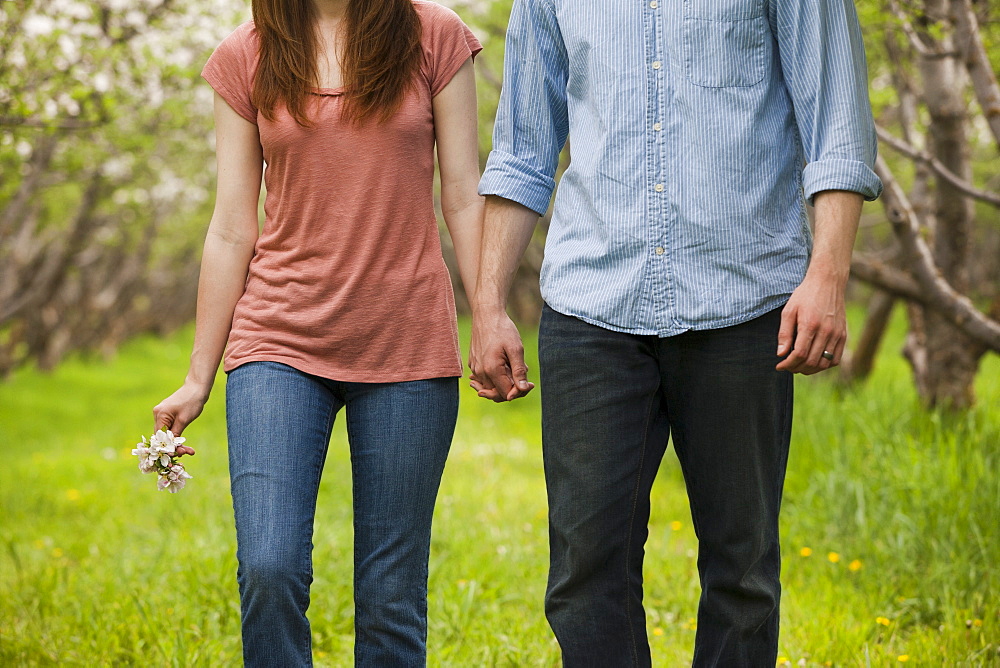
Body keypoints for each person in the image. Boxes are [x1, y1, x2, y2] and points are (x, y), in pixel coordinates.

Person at [469, 0, 881, 665]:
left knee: (742, 571)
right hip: (591, 305)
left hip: (743, 302)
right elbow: (522, 151)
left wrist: (828, 276)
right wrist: (487, 304)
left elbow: (836, 122)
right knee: (583, 573)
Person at [151, 1, 483, 665]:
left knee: (392, 592)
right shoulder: (246, 54)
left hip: (406, 342)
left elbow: (464, 192)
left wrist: (492, 311)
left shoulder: (433, 36)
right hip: (279, 338)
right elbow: (230, 225)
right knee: (269, 567)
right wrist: (197, 376)